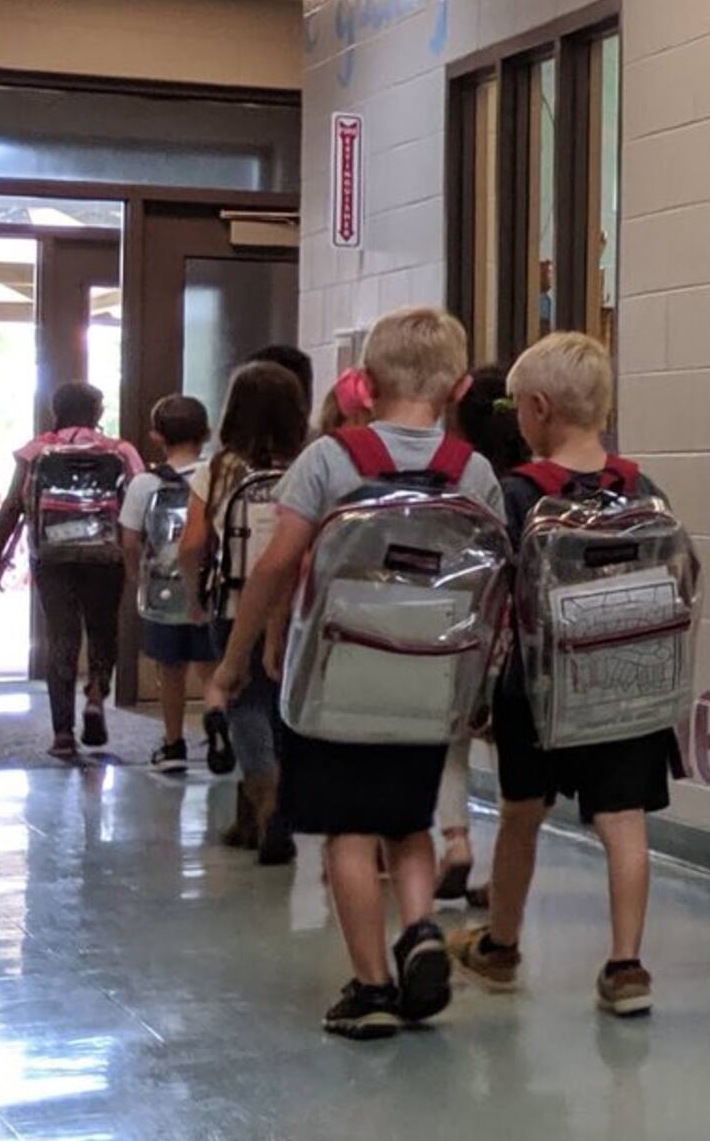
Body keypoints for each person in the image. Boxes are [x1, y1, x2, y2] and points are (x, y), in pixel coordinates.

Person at [214, 308, 498, 1040]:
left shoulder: (329, 459)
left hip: (337, 674)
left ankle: (371, 986)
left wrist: (236, 658)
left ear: (364, 384)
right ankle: (420, 928)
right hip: (428, 673)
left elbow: (277, 564)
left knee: (348, 830)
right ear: (458, 388)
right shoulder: (472, 471)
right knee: (407, 820)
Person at [457, 334, 672, 1019]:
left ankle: (501, 944)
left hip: (537, 687)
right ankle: (627, 965)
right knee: (624, 821)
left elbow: (489, 593)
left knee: (521, 814)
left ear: (539, 409)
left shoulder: (519, 494)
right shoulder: (643, 490)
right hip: (623, 681)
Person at [0, 381, 143, 762]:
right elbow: (139, 501)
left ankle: (62, 735)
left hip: (52, 556)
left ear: (56, 412)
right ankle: (96, 696)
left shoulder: (36, 450)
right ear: (97, 413)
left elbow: (13, 505)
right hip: (106, 555)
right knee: (102, 629)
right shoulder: (120, 450)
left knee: (62, 639)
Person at [193, 358, 309, 862]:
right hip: (300, 604)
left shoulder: (219, 469)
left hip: (234, 602)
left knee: (244, 702)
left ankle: (265, 800)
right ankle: (269, 807)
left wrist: (194, 591)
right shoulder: (309, 467)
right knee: (285, 703)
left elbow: (191, 543)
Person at [427, 363, 533, 910]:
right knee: (516, 765)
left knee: (450, 740)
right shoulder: (534, 486)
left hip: (466, 625)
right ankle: (504, 874)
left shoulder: (460, 477)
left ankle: (456, 840)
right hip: (525, 642)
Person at [117, 394, 215, 770]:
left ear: (156, 436)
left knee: (169, 669)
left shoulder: (145, 483)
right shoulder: (217, 476)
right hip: (210, 588)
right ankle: (220, 730)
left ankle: (173, 744)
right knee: (211, 666)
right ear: (207, 433)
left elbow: (129, 539)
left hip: (164, 590)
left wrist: (135, 575)